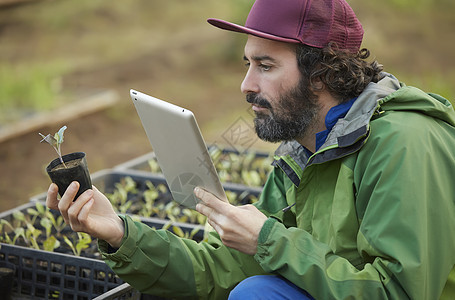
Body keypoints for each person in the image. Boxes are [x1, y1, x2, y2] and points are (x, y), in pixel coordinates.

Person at [46, 0, 455, 299]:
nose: (246, 85)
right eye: (247, 64)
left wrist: (269, 241)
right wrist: (120, 233)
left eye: (266, 65)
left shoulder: (404, 144)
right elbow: (219, 270)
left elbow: (401, 293)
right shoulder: (302, 153)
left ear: (321, 74)